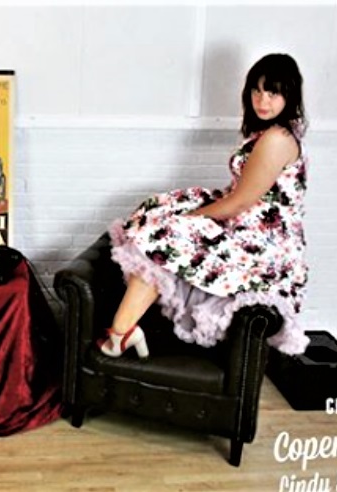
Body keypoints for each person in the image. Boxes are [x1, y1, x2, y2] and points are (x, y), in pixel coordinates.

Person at [101, 53, 309, 359]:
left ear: (289, 95)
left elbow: (240, 202)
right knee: (158, 211)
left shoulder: (277, 139)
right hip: (244, 224)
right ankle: (124, 330)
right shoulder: (269, 133)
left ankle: (121, 332)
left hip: (260, 245)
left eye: (272, 92)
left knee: (168, 233)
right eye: (256, 90)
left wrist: (192, 216)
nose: (262, 100)